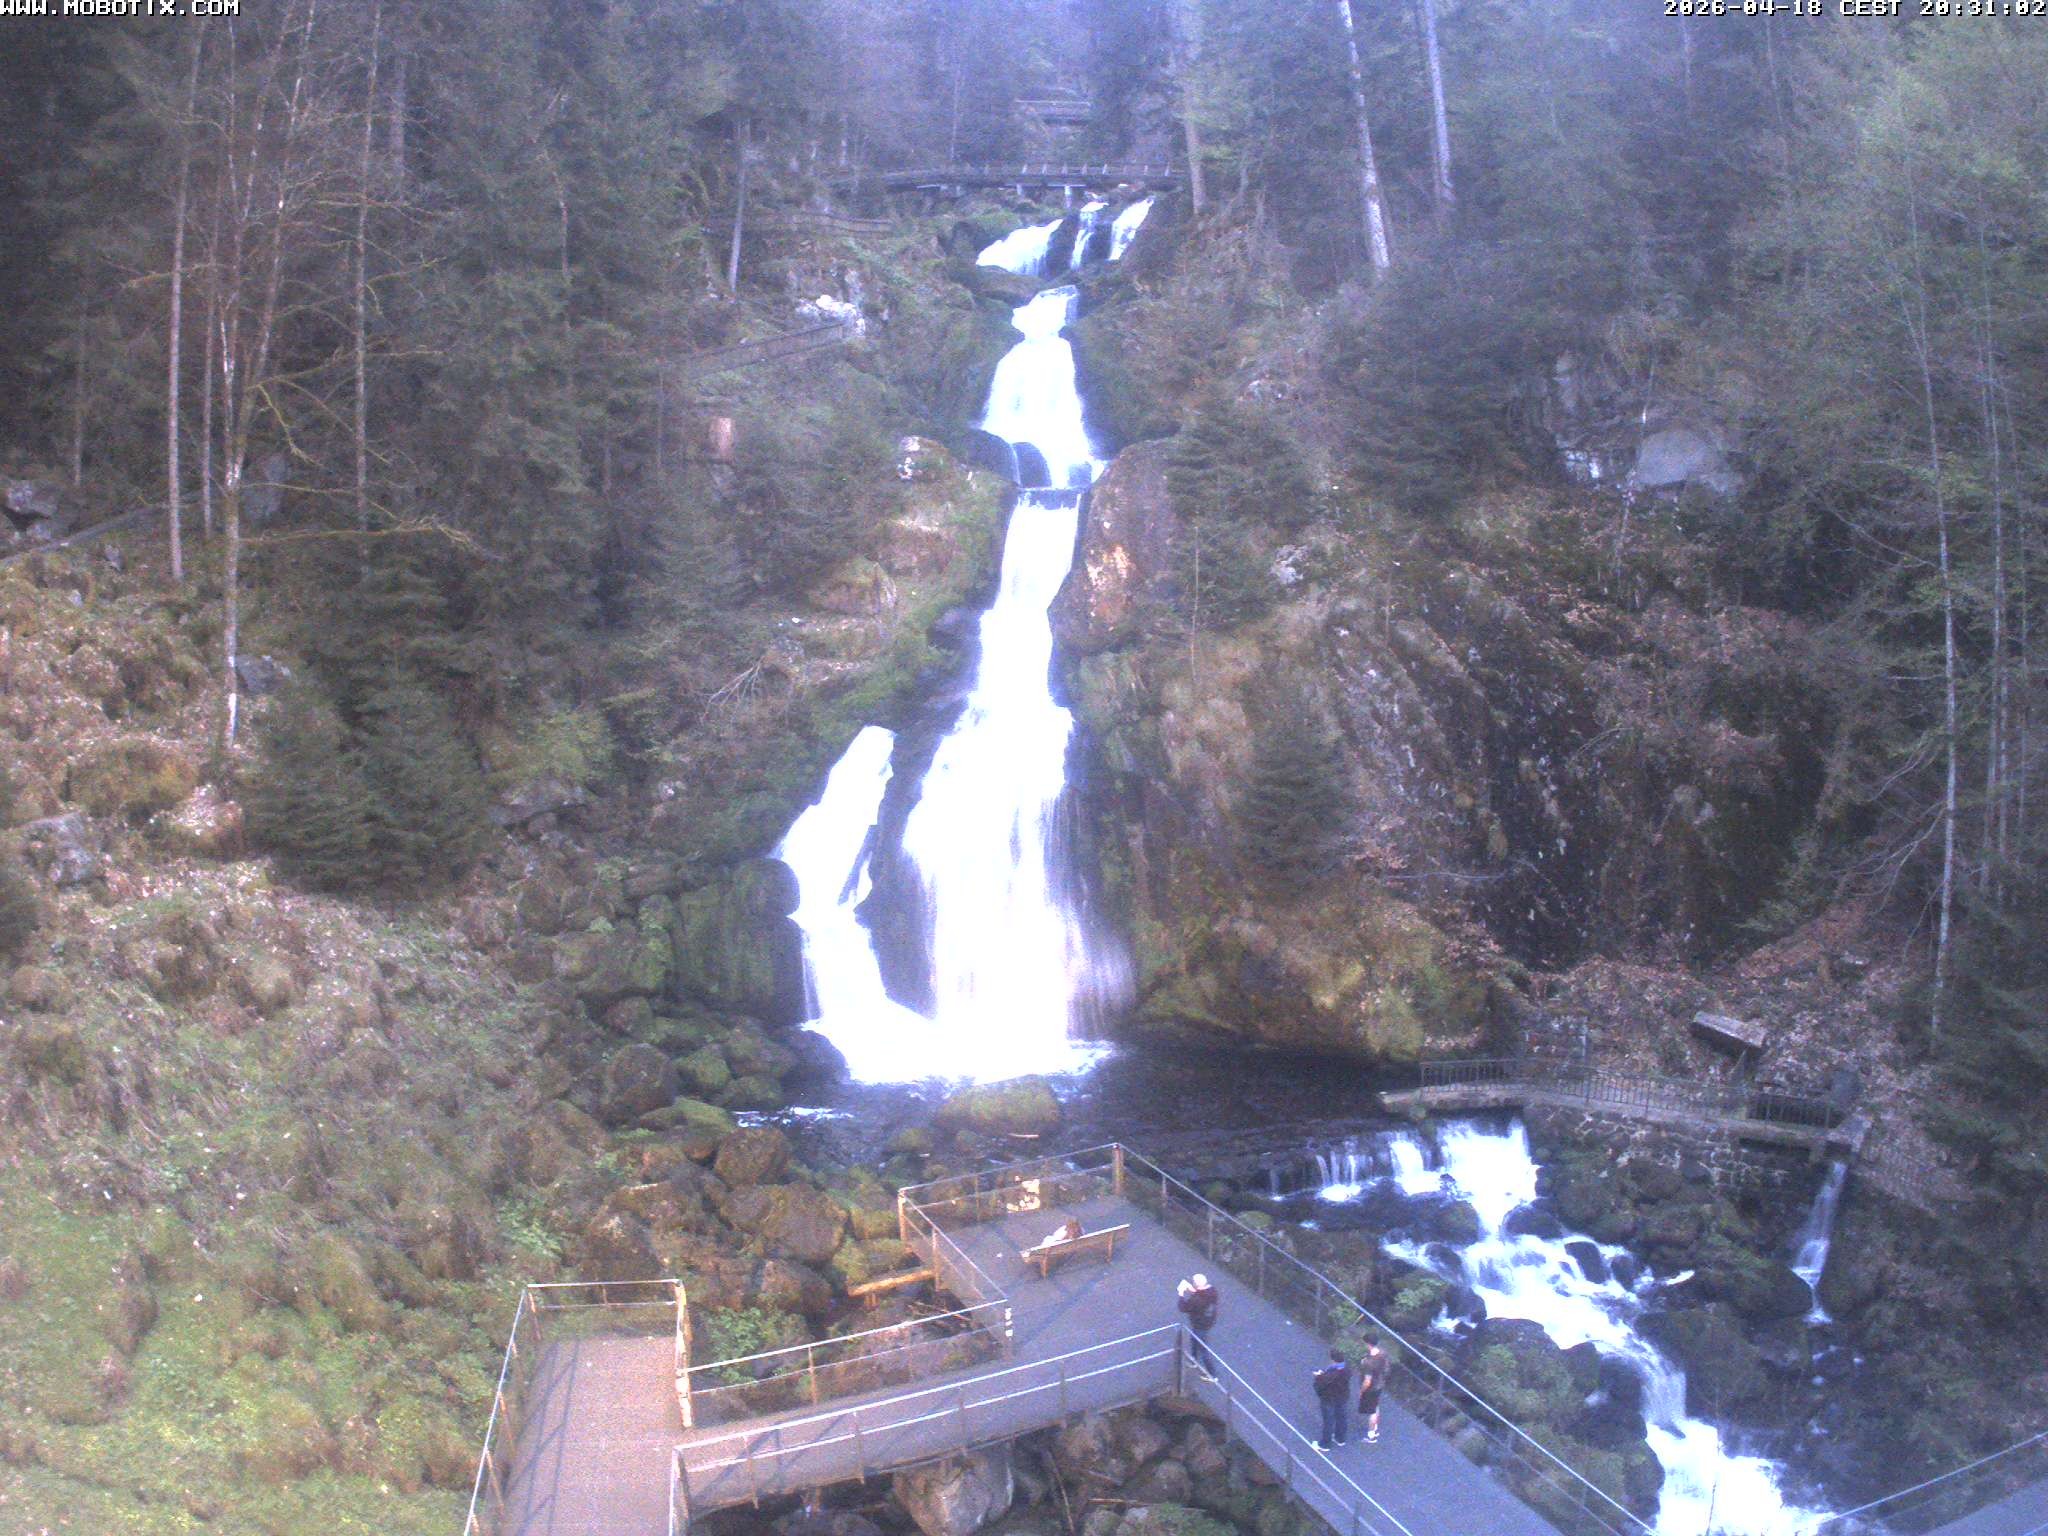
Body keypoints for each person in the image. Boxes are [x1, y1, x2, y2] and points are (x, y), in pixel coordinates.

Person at [1179, 1273, 1219, 1376]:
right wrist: (1194, 1290)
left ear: (1196, 1284)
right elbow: (1202, 1294)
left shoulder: (1196, 1300)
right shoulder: (1212, 1291)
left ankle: (1212, 1374)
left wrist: (1181, 1293)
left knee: (1203, 1349)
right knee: (1194, 1339)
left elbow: (1183, 1307)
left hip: (1200, 1324)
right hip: (1208, 1320)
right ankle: (1193, 1359)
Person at [1312, 1348, 1352, 1450]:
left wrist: (1318, 1377)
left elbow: (1322, 1383)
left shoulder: (1332, 1373)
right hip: (1342, 1397)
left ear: (1333, 1359)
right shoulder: (1347, 1368)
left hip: (1329, 1398)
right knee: (1341, 1417)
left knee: (1329, 1421)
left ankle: (1325, 1444)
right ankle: (1340, 1438)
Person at [1356, 1331, 1389, 1444]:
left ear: (1368, 1343)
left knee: (1372, 1412)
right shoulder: (1383, 1353)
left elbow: (1367, 1381)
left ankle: (1371, 1435)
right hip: (1379, 1384)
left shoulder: (1368, 1363)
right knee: (1376, 1406)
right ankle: (1374, 1428)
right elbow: (1385, 1368)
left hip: (1371, 1388)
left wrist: (1361, 1391)